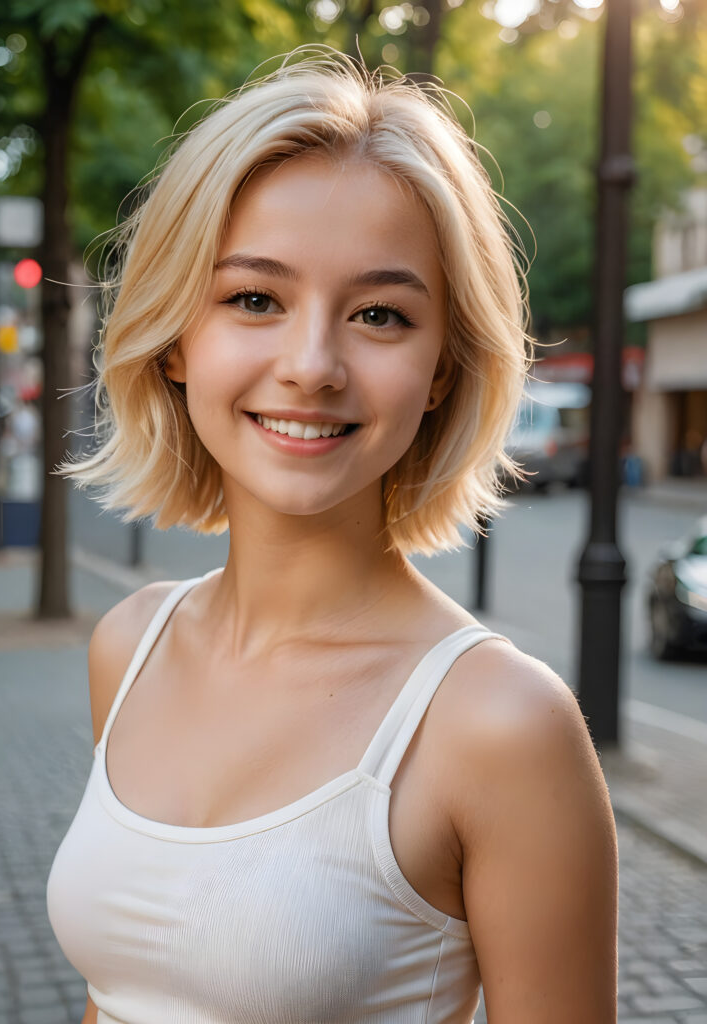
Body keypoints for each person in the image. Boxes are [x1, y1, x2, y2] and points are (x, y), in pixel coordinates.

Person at [47, 48, 618, 1024]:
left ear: (441, 368)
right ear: (178, 338)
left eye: (379, 315)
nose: (311, 366)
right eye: (254, 299)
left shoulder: (501, 726)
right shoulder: (128, 645)